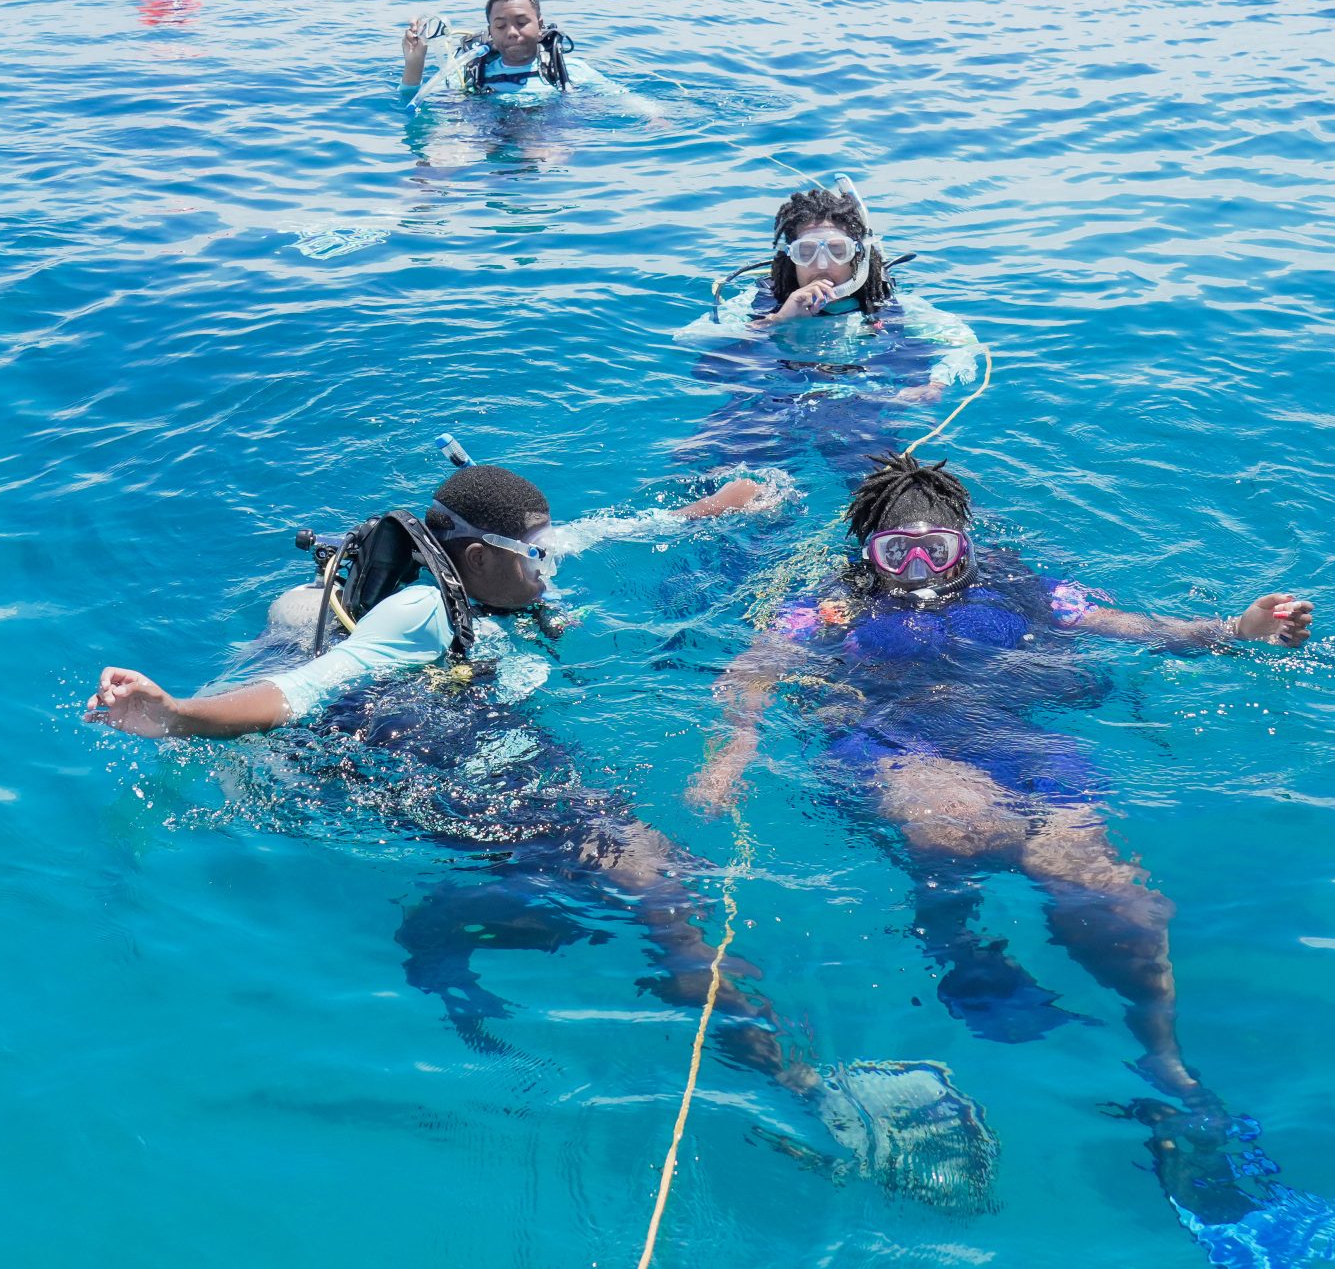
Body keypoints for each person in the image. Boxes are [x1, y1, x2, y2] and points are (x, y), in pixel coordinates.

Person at [88, 461, 997, 1207]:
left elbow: (600, 532)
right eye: (533, 555)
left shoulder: (495, 570)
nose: (549, 566)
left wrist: (715, 506)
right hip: (474, 764)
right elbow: (302, 691)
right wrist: (177, 715)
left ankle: (468, 922)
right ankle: (807, 1092)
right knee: (663, 885)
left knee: (652, 883)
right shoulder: (417, 614)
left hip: (493, 746)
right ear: (477, 558)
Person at [687, 452, 1312, 1125]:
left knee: (1112, 896)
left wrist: (1239, 630)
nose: (920, 569)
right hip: (891, 739)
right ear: (870, 552)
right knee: (957, 820)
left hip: (1018, 743)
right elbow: (751, 672)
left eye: (937, 550)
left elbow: (1144, 628)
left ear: (965, 546)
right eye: (899, 554)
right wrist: (734, 749)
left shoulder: (1023, 588)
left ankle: (1164, 1060)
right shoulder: (831, 606)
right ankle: (958, 943)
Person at [673, 185, 982, 486]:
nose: (822, 265)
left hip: (857, 408)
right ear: (788, 257)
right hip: (772, 403)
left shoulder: (887, 305)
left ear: (858, 255)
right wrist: (776, 321)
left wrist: (938, 381)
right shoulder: (763, 302)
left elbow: (966, 344)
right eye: (806, 252)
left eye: (837, 250)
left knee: (893, 491)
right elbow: (688, 338)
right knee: (708, 474)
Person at [400, 0, 635, 109]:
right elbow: (412, 102)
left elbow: (622, 97)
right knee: (432, 168)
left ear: (540, 25)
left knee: (544, 156)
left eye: (522, 23)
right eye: (501, 26)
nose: (512, 33)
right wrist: (414, 63)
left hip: (546, 131)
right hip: (484, 130)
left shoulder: (571, 71)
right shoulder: (468, 75)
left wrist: (655, 117)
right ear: (490, 31)